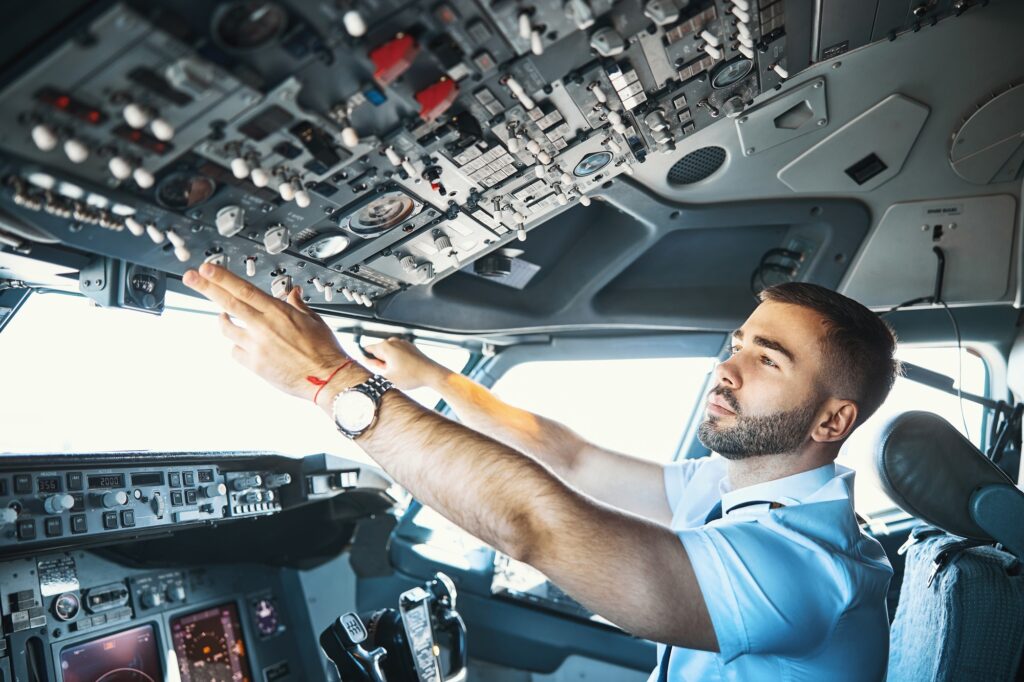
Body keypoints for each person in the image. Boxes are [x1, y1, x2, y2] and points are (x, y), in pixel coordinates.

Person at [182, 263, 898, 681]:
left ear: (831, 422)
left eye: (767, 359)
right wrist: (436, 377)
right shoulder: (731, 489)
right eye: (738, 343)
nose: (727, 366)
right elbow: (570, 457)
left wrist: (330, 382)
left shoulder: (811, 567)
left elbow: (536, 527)